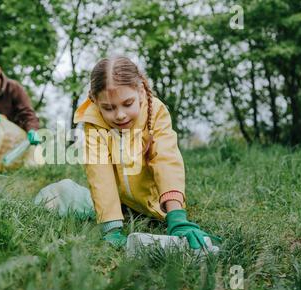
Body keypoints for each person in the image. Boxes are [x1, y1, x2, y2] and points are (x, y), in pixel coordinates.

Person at [73, 56, 219, 249]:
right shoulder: (93, 121)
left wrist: (176, 216)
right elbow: (99, 171)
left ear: (140, 91)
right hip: (123, 205)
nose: (120, 115)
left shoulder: (156, 112)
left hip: (157, 204)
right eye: (108, 108)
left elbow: (166, 159)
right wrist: (111, 226)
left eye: (127, 103)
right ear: (95, 102)